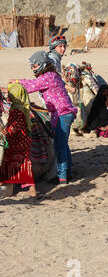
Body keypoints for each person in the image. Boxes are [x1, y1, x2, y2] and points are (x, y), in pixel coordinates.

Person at [12, 51, 78, 185]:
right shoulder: (52, 75)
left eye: (35, 66)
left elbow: (31, 86)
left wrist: (17, 82)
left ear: (42, 65)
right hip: (64, 113)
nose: (33, 69)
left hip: (63, 114)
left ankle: (62, 178)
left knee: (59, 146)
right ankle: (68, 172)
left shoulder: (48, 77)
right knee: (63, 144)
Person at [0, 83, 36, 197]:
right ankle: (30, 187)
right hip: (23, 140)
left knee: (7, 159)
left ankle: (6, 182)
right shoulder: (23, 108)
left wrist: (6, 132)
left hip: (17, 141)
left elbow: (17, 125)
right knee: (23, 162)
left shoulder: (16, 110)